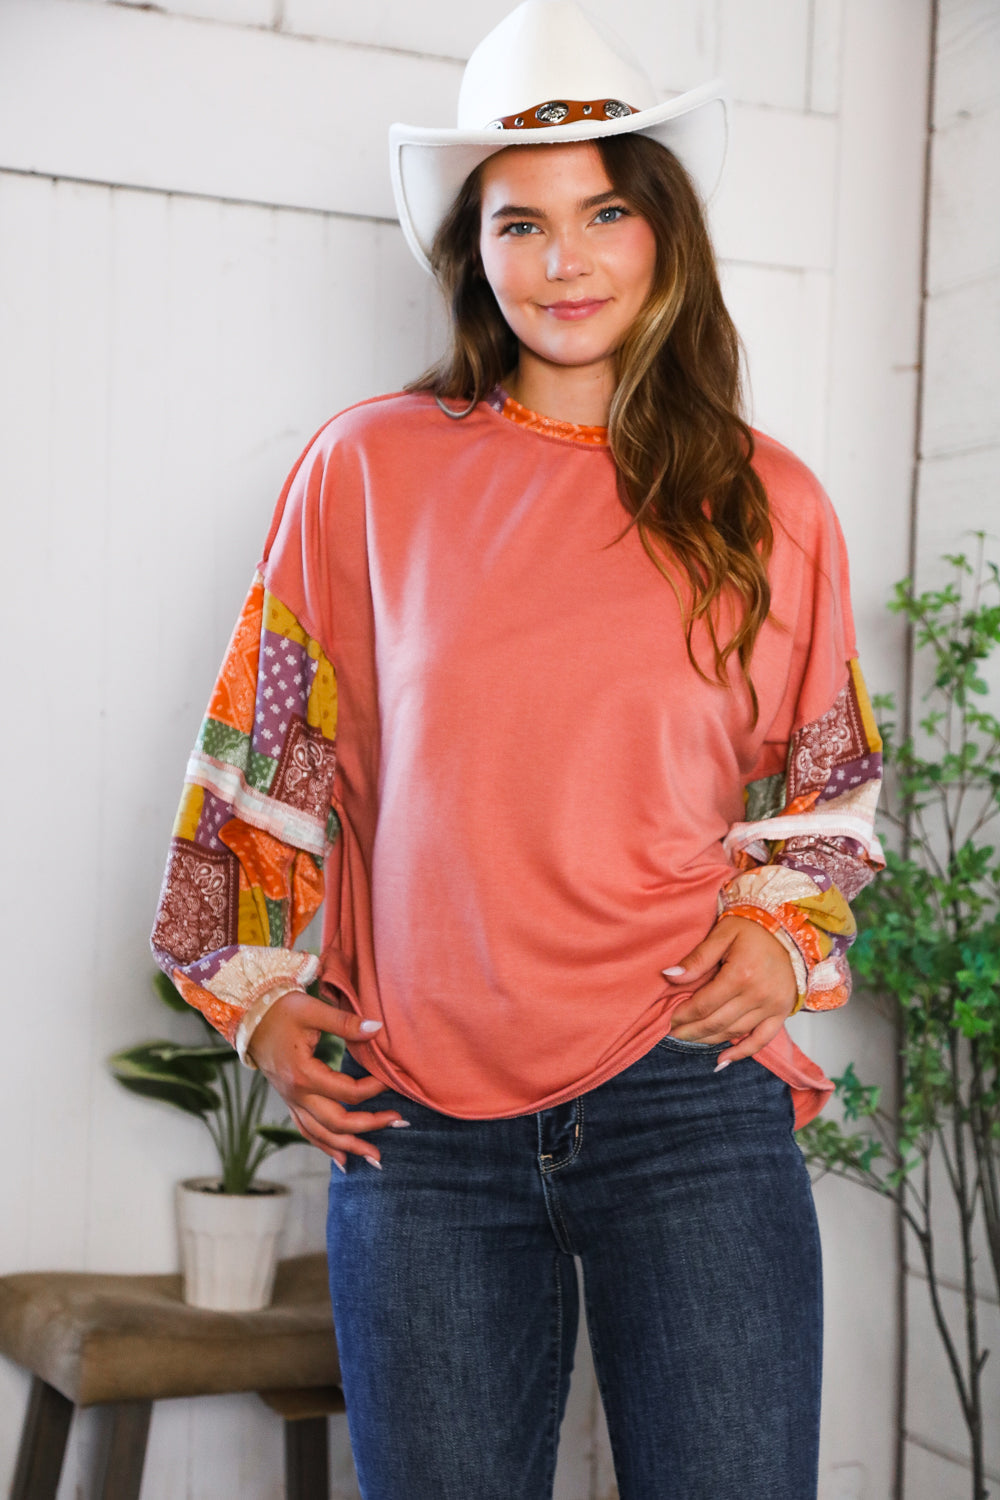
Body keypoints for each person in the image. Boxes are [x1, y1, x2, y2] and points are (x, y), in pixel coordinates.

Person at [151, 3, 884, 1496]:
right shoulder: (368, 470)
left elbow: (829, 775)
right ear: (472, 253)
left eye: (605, 211)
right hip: (419, 1124)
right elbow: (267, 742)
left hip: (686, 1093)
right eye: (521, 223)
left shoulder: (769, 503)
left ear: (664, 231)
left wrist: (782, 928)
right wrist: (258, 995)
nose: (566, 260)